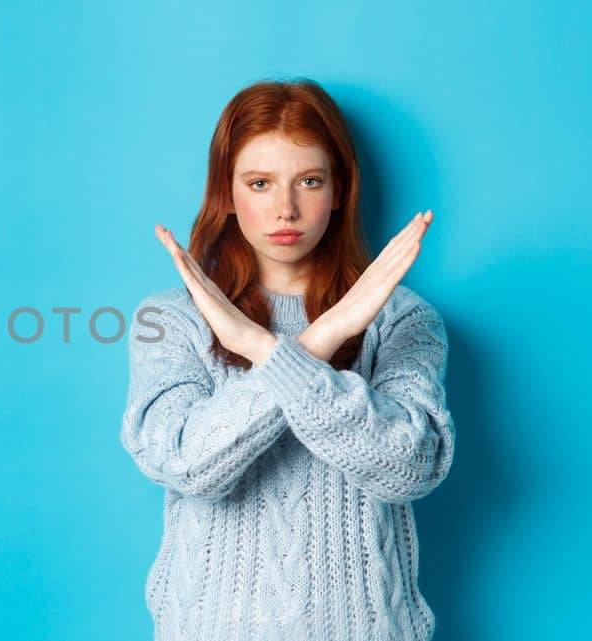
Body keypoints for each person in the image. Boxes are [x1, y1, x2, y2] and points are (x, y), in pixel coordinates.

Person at [121, 78, 454, 641]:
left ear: (339, 189)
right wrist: (311, 347)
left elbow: (410, 467)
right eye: (259, 182)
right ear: (228, 192)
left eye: (308, 180)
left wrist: (278, 349)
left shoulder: (401, 318)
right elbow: (186, 465)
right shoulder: (171, 319)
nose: (286, 207)